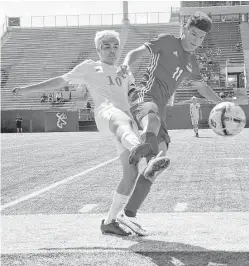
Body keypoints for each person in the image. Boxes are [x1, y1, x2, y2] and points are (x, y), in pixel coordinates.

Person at [12, 30, 169, 237]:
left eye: (115, 46)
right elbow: (60, 81)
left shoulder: (126, 71)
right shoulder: (89, 67)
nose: (112, 50)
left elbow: (133, 96)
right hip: (107, 114)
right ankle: (146, 154)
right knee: (120, 119)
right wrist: (26, 90)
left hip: (127, 127)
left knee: (130, 173)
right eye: (106, 46)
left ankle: (109, 222)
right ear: (98, 49)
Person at [116, 11, 223, 232]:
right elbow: (137, 51)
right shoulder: (166, 41)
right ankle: (143, 148)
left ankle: (127, 213)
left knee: (160, 161)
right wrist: (126, 64)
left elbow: (202, 87)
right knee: (152, 119)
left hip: (161, 108)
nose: (196, 40)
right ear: (184, 29)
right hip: (144, 95)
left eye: (201, 37)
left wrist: (221, 104)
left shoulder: (192, 62)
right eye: (193, 34)